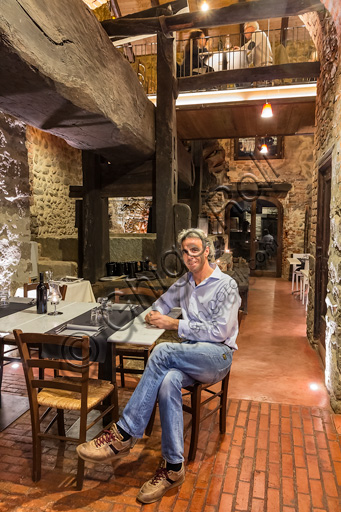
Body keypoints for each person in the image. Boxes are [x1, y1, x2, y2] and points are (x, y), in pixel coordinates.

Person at [77, 228, 241, 504]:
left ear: (207, 252)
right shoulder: (184, 282)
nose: (190, 256)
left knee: (163, 350)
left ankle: (125, 433)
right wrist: (155, 314)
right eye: (185, 251)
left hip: (218, 356)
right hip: (191, 353)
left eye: (195, 250)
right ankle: (173, 468)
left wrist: (175, 324)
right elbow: (161, 305)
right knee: (167, 382)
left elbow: (219, 331)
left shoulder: (226, 285)